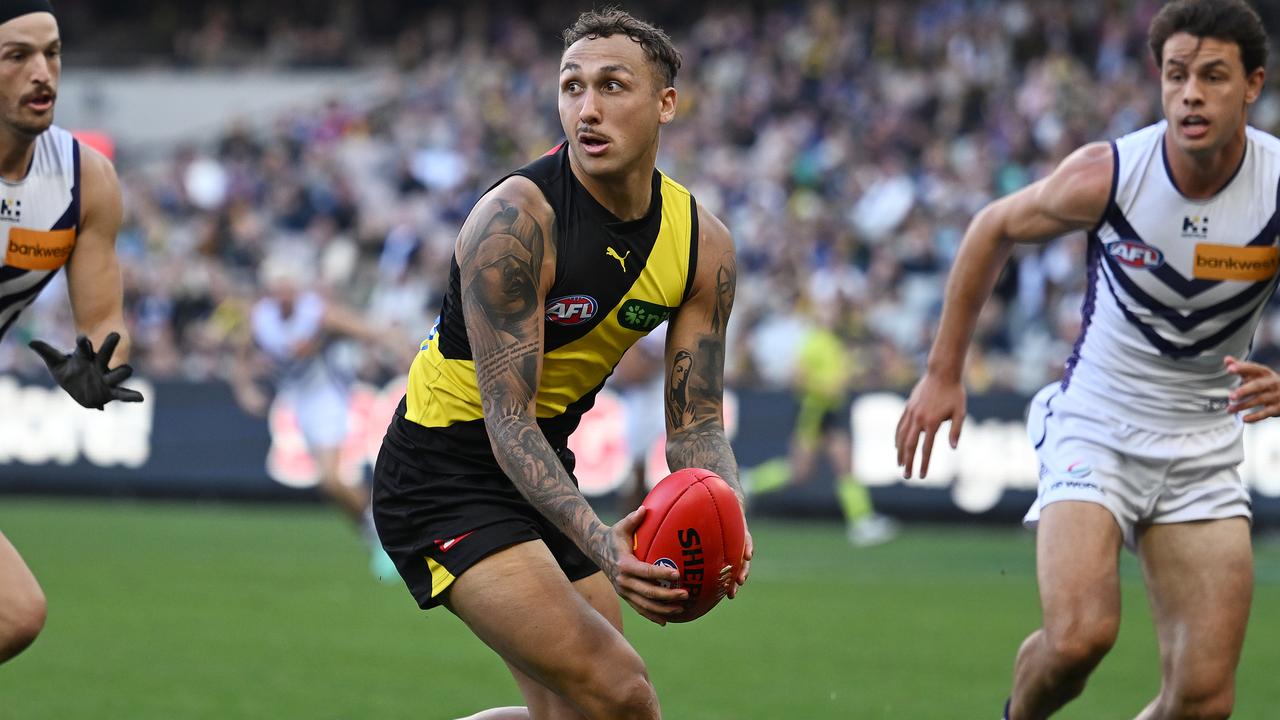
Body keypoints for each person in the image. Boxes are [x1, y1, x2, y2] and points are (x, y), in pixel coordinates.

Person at [895, 2, 1277, 718]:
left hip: (1204, 443)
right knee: (1078, 641)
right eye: (1177, 75)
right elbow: (992, 227)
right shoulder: (1111, 173)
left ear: (1253, 85)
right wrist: (944, 373)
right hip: (1097, 425)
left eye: (1214, 76)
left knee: (1204, 703)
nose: (1191, 92)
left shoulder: (1277, 186)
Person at [371, 9, 751, 719]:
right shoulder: (515, 222)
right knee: (624, 694)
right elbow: (507, 422)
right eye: (572, 86)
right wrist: (606, 546)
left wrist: (725, 509)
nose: (589, 107)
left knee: (585, 714)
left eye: (613, 85)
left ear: (666, 103)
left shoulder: (704, 247)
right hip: (439, 475)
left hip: (538, 468)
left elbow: (696, 425)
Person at [0, 2, 141, 664]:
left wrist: (100, 370)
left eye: (52, 53)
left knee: (16, 615)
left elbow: (103, 321)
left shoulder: (86, 181)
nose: (42, 73)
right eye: (17, 55)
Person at [233, 252, 397, 581]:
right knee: (330, 486)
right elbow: (242, 354)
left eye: (287, 287)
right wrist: (245, 388)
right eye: (277, 288)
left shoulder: (316, 312)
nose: (283, 294)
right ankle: (379, 530)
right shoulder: (260, 317)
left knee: (330, 479)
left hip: (328, 397)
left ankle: (382, 535)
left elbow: (365, 331)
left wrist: (397, 347)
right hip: (299, 401)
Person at [744, 298, 897, 546]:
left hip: (830, 412)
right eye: (827, 311)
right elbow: (797, 376)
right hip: (814, 411)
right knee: (800, 471)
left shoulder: (835, 342)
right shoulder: (815, 341)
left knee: (843, 465)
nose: (832, 316)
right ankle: (751, 482)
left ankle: (861, 521)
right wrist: (825, 388)